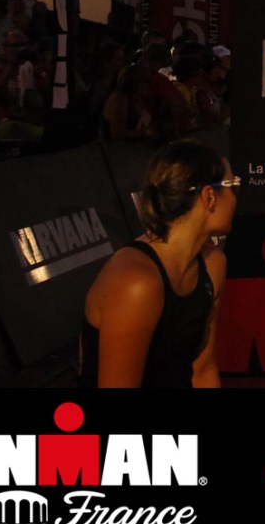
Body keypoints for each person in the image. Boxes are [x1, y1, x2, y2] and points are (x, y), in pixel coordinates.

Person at [79, 139, 234, 387]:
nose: (236, 198)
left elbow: (203, 370)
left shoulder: (213, 264)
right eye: (232, 186)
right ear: (209, 197)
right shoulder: (136, 283)